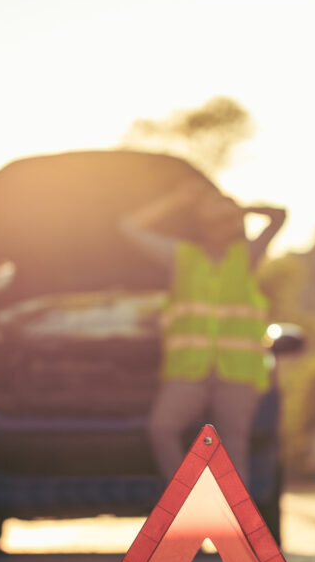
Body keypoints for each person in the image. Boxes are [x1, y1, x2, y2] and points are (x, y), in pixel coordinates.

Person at [120, 177, 286, 489]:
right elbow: (128, 227)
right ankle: (187, 501)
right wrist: (176, 201)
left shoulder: (246, 256)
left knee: (233, 450)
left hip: (237, 374)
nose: (219, 225)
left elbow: (280, 215)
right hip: (189, 372)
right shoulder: (182, 256)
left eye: (226, 219)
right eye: (213, 218)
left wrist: (240, 208)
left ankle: (236, 531)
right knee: (162, 427)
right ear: (201, 222)